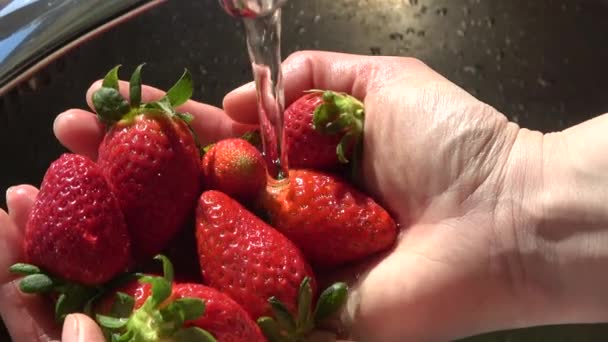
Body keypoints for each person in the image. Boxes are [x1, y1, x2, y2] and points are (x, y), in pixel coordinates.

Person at [2, 50, 608, 342]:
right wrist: (512, 194)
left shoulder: (221, 199)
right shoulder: (214, 200)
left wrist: (502, 186)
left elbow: (219, 200)